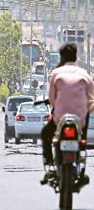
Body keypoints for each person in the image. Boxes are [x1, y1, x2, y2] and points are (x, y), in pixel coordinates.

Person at [41, 43, 94, 180]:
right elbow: (91, 99)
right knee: (86, 117)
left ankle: (50, 163)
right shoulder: (84, 74)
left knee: (46, 134)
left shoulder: (56, 73)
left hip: (60, 118)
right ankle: (81, 145)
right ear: (76, 56)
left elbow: (52, 99)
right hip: (79, 119)